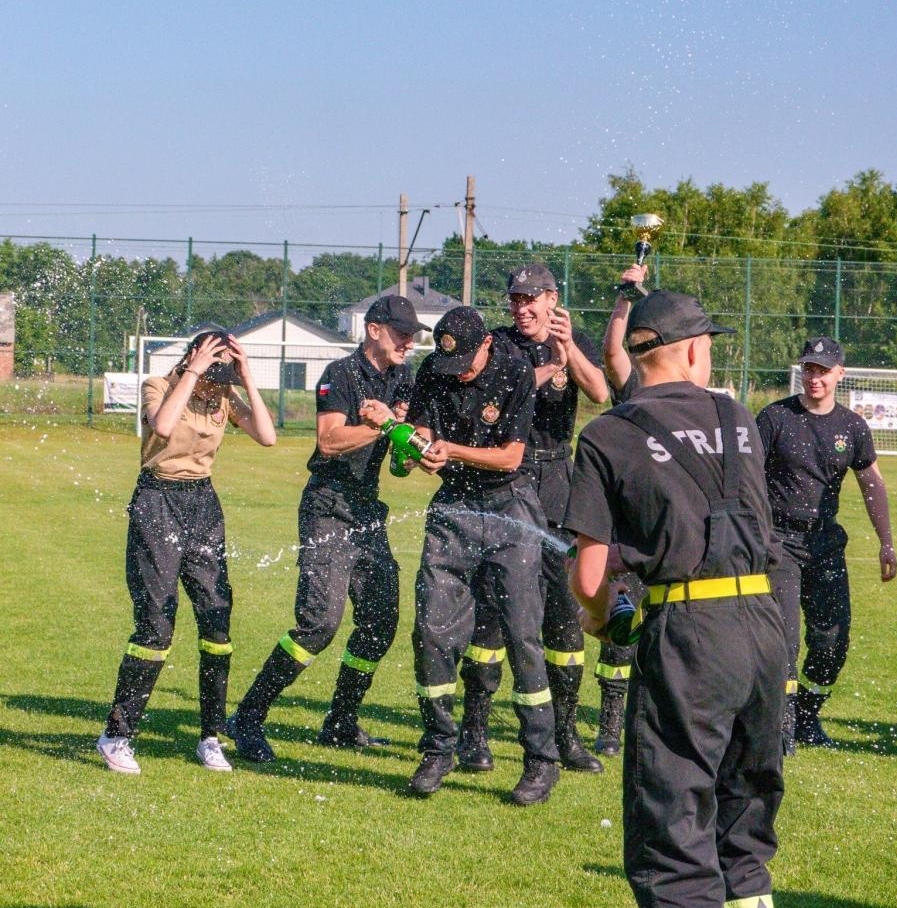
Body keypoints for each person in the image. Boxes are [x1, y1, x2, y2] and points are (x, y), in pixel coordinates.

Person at [566, 290, 787, 908]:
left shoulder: (608, 434)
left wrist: (606, 622)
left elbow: (589, 580)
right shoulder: (738, 420)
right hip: (763, 627)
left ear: (638, 355)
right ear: (694, 351)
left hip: (690, 636)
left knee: (672, 828)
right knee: (742, 830)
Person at [225, 295, 429, 761]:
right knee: (319, 624)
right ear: (374, 329)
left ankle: (340, 721)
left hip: (367, 509)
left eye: (413, 335)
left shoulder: (403, 377)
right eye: (401, 333)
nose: (408, 342)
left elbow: (401, 459)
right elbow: (330, 440)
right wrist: (383, 427)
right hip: (328, 505)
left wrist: (406, 444)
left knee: (380, 622)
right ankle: (248, 716)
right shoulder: (339, 374)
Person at [96, 328, 277, 775]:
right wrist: (195, 369)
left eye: (223, 372)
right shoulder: (159, 385)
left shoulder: (224, 396)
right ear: (195, 356)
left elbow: (268, 437)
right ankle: (117, 736)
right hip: (158, 500)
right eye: (213, 369)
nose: (217, 381)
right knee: (157, 622)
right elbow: (161, 425)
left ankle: (211, 737)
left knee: (217, 620)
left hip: (202, 503)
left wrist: (247, 377)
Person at [455, 263, 608, 775]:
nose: (521, 309)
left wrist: (571, 355)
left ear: (552, 299)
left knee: (566, 617)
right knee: (493, 615)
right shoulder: (496, 345)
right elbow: (497, 397)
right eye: (515, 300)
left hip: (559, 481)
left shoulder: (574, 338)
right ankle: (473, 732)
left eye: (531, 299)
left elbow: (600, 394)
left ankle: (565, 734)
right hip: (507, 482)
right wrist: (545, 368)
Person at [406, 305, 560, 806]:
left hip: (508, 504)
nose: (461, 373)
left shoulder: (515, 371)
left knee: (521, 633)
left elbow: (512, 455)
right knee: (431, 628)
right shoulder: (434, 369)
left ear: (487, 345)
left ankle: (540, 760)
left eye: (468, 363)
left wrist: (448, 448)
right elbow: (423, 434)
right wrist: (415, 447)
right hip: (452, 506)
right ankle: (438, 747)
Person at [757, 337, 896, 750]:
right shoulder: (775, 418)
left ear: (840, 374)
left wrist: (887, 543)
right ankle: (779, 724)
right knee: (784, 638)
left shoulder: (852, 427)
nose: (814, 377)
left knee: (833, 640)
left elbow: (871, 482)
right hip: (777, 543)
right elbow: (745, 478)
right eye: (809, 369)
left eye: (822, 370)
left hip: (825, 544)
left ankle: (807, 717)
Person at [592, 262, 648, 757]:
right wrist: (625, 298)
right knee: (620, 634)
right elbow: (611, 351)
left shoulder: (700, 403)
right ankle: (610, 727)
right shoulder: (638, 394)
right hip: (626, 531)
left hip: (673, 537)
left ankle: (655, 721)